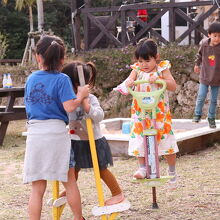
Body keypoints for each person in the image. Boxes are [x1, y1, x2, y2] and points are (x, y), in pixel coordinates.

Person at [23, 35, 89, 220]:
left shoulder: (31, 79)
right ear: (62, 59)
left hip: (35, 133)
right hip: (56, 134)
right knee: (69, 182)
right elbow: (69, 107)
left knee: (37, 189)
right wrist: (81, 95)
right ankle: (78, 218)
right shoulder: (62, 79)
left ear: (38, 56)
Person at [49, 60, 125, 207]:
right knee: (73, 169)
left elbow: (99, 116)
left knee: (101, 170)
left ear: (78, 84)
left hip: (93, 141)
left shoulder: (91, 99)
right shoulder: (68, 100)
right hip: (75, 141)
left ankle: (117, 193)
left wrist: (87, 106)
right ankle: (68, 191)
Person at [114, 38, 179, 188]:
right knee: (140, 138)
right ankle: (143, 168)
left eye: (147, 61)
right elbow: (127, 82)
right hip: (141, 112)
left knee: (165, 139)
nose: (144, 65)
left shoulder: (162, 68)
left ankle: (172, 172)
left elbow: (172, 85)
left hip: (159, 112)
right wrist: (128, 83)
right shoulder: (137, 69)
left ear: (156, 57)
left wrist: (159, 78)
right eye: (141, 61)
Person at [193, 22, 220, 128]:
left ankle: (211, 117)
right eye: (215, 36)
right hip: (205, 75)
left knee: (214, 100)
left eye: (219, 36)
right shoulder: (204, 44)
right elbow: (199, 55)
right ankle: (197, 114)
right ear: (209, 35)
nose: (217, 39)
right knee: (201, 96)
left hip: (217, 77)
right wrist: (196, 64)